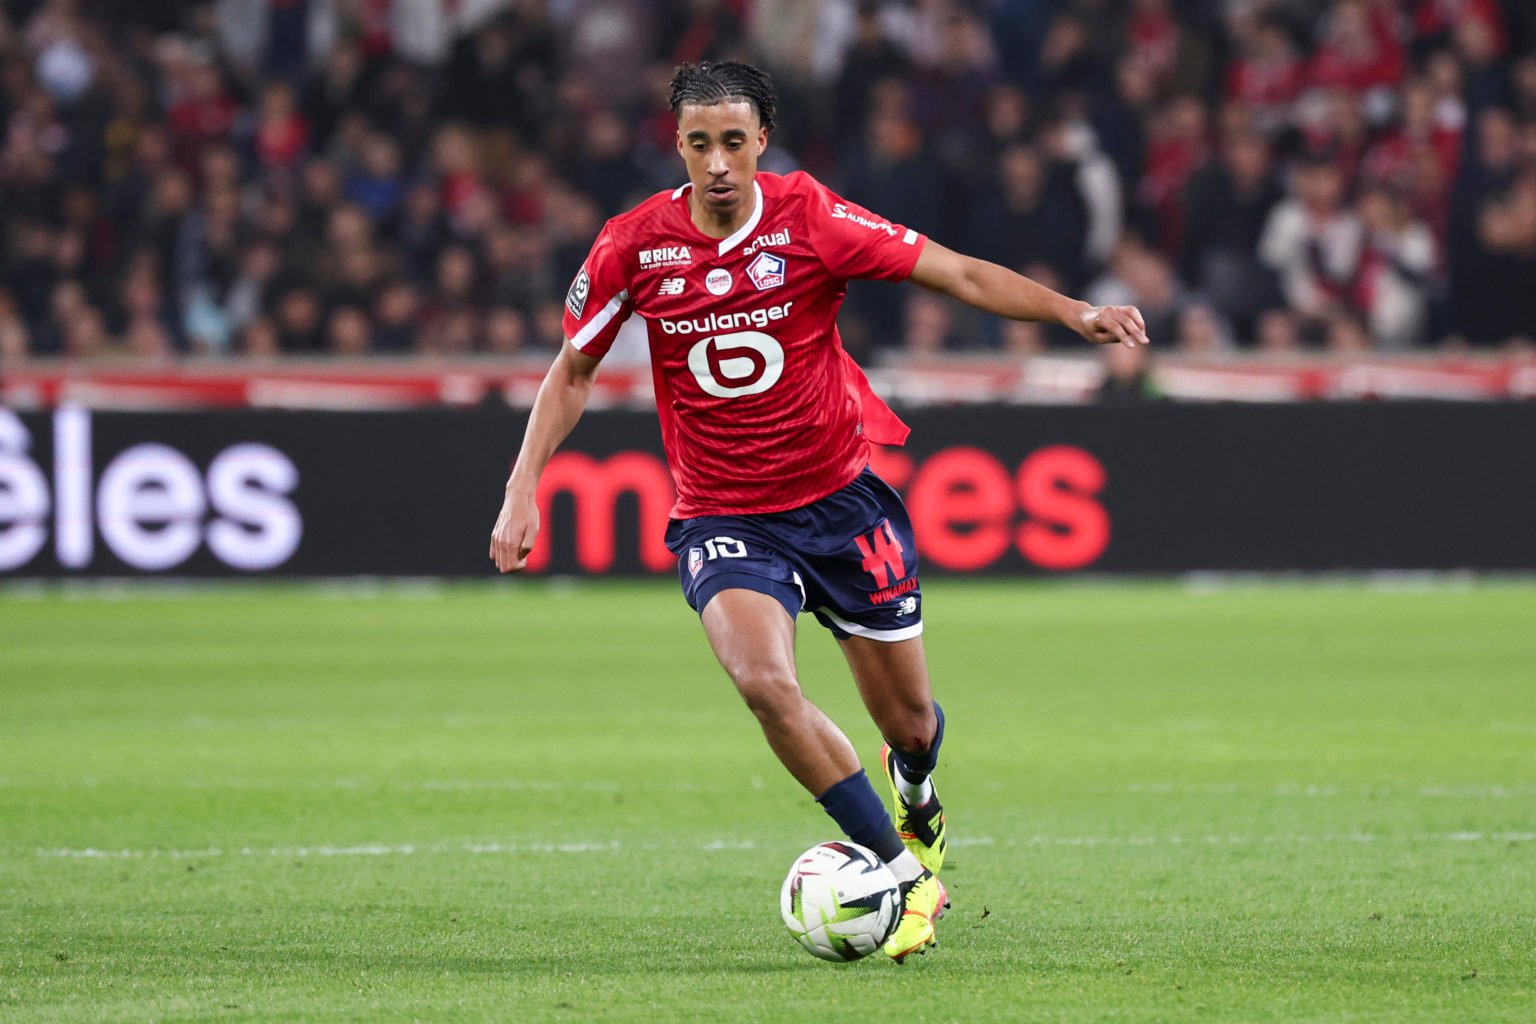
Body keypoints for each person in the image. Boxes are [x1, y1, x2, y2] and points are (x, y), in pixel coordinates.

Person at [489, 61, 1147, 962]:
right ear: (676, 145)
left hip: (841, 503)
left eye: (732, 141)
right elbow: (572, 371)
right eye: (697, 143)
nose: (717, 162)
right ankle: (902, 872)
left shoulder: (813, 217)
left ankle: (914, 789)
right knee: (764, 683)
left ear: (762, 140)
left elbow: (951, 271)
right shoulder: (631, 246)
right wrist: (523, 486)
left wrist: (1075, 314)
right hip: (724, 514)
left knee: (910, 724)